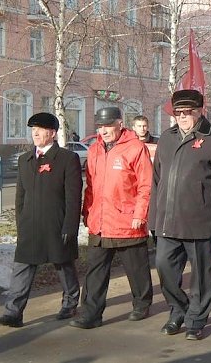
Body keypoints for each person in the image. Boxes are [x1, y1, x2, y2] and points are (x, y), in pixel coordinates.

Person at [149, 90, 211, 340]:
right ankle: (178, 310)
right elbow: (156, 182)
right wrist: (153, 218)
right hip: (167, 221)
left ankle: (196, 319)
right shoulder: (166, 138)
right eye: (178, 113)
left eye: (188, 112)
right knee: (164, 268)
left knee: (201, 277)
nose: (183, 117)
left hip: (199, 222)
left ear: (200, 111)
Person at [0, 113, 82, 328]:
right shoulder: (25, 160)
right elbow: (20, 196)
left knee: (63, 264)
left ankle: (69, 304)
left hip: (56, 223)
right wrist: (21, 223)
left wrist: (70, 226)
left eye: (39, 130)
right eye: (33, 130)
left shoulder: (67, 159)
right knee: (22, 267)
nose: (35, 134)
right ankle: (13, 313)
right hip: (30, 225)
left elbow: (73, 196)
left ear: (52, 133)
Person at [70, 107, 153, 329]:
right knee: (95, 271)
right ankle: (91, 314)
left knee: (136, 268)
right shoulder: (95, 149)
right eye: (99, 126)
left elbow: (146, 185)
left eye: (107, 126)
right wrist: (87, 212)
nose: (103, 130)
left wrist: (140, 214)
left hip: (127, 221)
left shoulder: (136, 148)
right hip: (100, 221)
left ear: (119, 124)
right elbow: (91, 186)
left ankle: (141, 303)